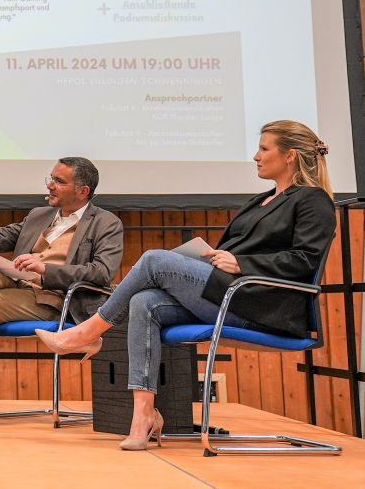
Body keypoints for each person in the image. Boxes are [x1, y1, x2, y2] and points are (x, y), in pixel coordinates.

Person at [36, 120, 335, 450]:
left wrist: (241, 263)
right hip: (230, 294)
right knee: (144, 302)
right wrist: (213, 258)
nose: (256, 156)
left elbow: (305, 259)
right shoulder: (259, 201)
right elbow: (234, 252)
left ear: (290, 155)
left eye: (264, 149)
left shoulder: (312, 200)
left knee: (153, 259)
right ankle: (144, 415)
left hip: (260, 305)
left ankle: (87, 334)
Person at [0, 157, 124, 426]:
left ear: (82, 191)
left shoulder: (105, 223)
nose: (50, 186)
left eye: (58, 181)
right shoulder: (39, 215)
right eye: (50, 179)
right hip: (18, 287)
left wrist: (46, 270)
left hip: (54, 299)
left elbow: (101, 272)